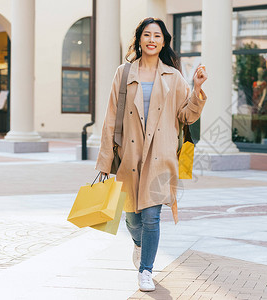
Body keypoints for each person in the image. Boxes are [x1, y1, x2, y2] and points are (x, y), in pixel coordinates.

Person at [95, 17, 208, 292]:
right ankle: (138, 244)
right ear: (140, 39)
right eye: (147, 35)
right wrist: (104, 162)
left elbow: (186, 116)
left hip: (161, 157)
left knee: (152, 217)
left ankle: (146, 270)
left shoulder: (173, 76)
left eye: (157, 36)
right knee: (132, 216)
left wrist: (197, 89)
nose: (152, 40)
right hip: (130, 156)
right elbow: (111, 119)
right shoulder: (123, 73)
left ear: (164, 41)